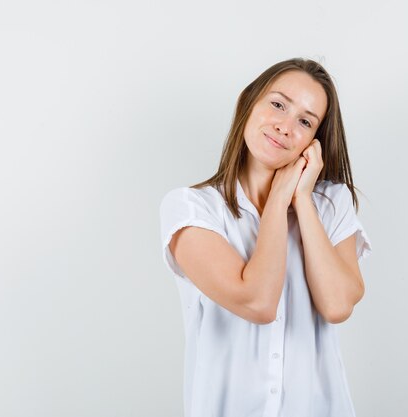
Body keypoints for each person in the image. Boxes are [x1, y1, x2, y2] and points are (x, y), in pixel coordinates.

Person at [159, 57, 373, 417]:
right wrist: (278, 200)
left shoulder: (330, 204)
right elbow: (257, 302)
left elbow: (338, 306)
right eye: (278, 104)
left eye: (305, 121)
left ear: (313, 143)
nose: (285, 126)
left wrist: (301, 199)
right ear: (248, 103)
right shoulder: (192, 209)